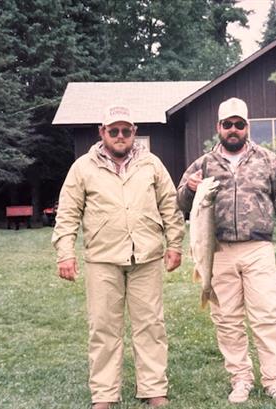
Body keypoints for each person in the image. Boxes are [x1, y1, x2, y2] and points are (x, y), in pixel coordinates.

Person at [52, 104, 185, 409]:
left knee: (151, 325)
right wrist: (65, 253)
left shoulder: (152, 164)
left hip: (146, 258)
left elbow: (170, 206)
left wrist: (175, 244)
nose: (120, 135)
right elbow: (68, 213)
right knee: (103, 328)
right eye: (114, 130)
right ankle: (104, 393)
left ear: (134, 132)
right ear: (102, 133)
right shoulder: (82, 168)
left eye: (126, 130)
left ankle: (154, 388)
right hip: (103, 259)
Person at [177, 97, 276, 405]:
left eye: (239, 124)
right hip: (217, 252)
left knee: (267, 316)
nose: (233, 129)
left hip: (258, 248)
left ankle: (274, 381)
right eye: (227, 124)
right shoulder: (203, 165)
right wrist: (189, 189)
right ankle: (240, 379)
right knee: (227, 319)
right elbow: (180, 203)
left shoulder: (268, 160)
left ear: (248, 127)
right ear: (218, 127)